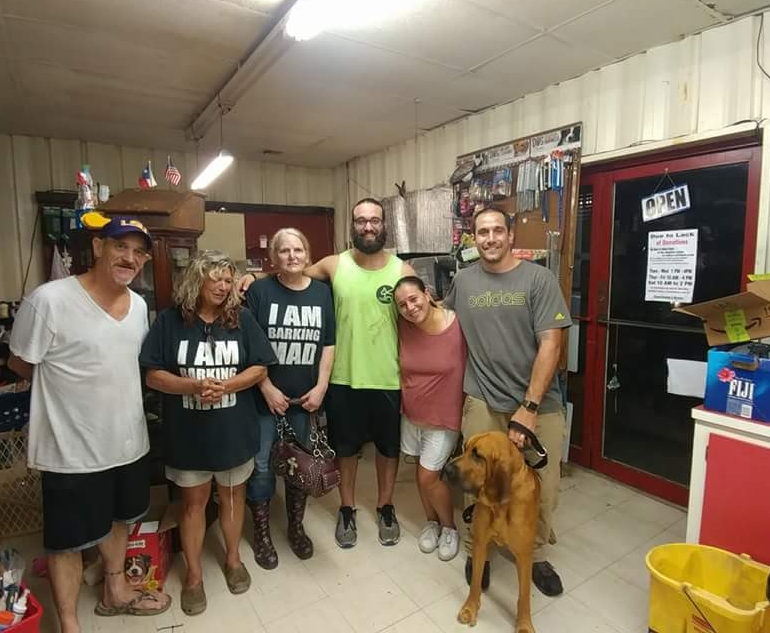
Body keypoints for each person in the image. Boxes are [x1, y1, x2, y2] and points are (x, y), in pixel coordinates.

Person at [8, 217, 171, 633]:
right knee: (66, 541)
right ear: (99, 247)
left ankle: (115, 590)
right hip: (70, 449)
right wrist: (67, 393)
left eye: (138, 252)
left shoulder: (138, 307)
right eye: (121, 247)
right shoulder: (49, 301)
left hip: (127, 441)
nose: (129, 258)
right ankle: (68, 623)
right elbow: (21, 362)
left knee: (120, 519)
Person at [242, 198, 415, 549]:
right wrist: (252, 276)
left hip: (387, 377)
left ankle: (385, 507)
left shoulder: (403, 272)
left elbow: (423, 313)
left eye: (375, 221)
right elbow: (291, 273)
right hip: (342, 378)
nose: (368, 226)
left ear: (384, 225)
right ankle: (347, 509)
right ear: (352, 226)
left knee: (388, 449)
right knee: (345, 450)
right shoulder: (334, 266)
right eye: (361, 220)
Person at [139, 250, 277, 616]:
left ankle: (233, 561)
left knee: (232, 498)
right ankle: (194, 577)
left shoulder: (241, 320)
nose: (222, 285)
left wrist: (228, 385)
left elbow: (260, 367)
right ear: (196, 280)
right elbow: (152, 374)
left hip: (234, 430)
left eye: (228, 279)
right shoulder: (170, 322)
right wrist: (193, 386)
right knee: (193, 504)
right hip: (189, 435)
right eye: (214, 277)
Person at [442, 206, 571, 597]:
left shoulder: (539, 279)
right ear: (473, 238)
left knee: (542, 488)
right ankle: (474, 549)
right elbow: (438, 321)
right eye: (483, 232)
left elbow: (552, 343)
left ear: (511, 235)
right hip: (482, 399)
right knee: (474, 481)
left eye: (498, 230)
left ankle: (533, 553)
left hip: (538, 405)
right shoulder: (462, 283)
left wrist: (528, 408)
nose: (491, 238)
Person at [242, 228, 336, 569]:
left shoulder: (323, 293)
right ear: (273, 258)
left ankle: (296, 527)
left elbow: (328, 342)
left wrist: (322, 386)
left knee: (302, 466)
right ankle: (263, 534)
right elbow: (248, 345)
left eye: (298, 249)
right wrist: (266, 386)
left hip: (305, 401)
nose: (292, 256)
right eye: (284, 251)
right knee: (264, 466)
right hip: (264, 400)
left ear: (307, 255)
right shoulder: (259, 291)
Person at [393, 275, 466, 562]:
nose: (410, 308)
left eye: (414, 299)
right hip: (412, 415)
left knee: (428, 476)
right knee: (421, 477)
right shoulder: (403, 327)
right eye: (402, 305)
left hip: (444, 417)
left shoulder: (457, 324)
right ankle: (431, 522)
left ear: (427, 293)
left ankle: (450, 527)